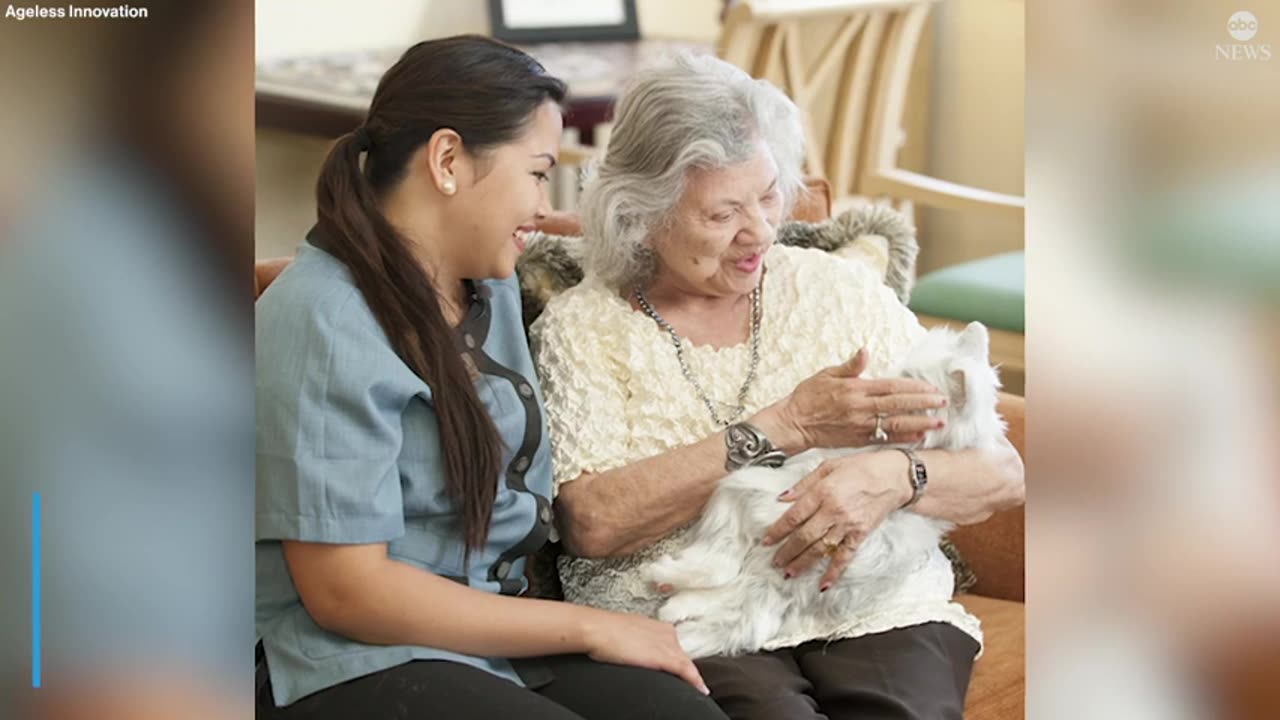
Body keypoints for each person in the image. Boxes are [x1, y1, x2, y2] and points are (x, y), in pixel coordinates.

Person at [531, 54, 1025, 720]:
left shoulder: (835, 291)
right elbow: (590, 523)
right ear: (642, 216)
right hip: (691, 616)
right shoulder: (585, 327)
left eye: (767, 195)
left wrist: (901, 475)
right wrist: (783, 426)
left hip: (874, 605)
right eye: (721, 213)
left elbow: (1003, 471)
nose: (760, 230)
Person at [255, 36, 726, 720]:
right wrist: (591, 625)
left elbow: (599, 239)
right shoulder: (322, 320)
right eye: (537, 173)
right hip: (339, 656)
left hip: (485, 633)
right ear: (447, 161)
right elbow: (346, 594)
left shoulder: (482, 275)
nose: (542, 204)